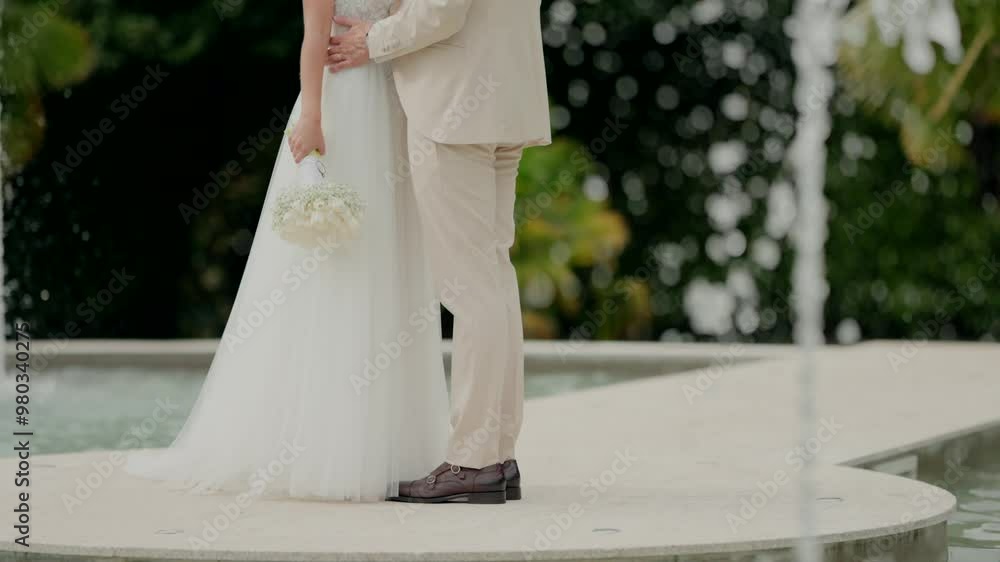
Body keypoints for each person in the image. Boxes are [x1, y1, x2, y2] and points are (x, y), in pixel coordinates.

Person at [125, 0, 450, 502]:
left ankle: (397, 447)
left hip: (395, 107)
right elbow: (313, 39)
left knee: (392, 263)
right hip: (343, 111)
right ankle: (324, 447)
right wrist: (314, 117)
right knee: (332, 265)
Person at [327, 0, 551, 503]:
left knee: (472, 288)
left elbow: (441, 10)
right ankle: (497, 455)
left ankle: (473, 462)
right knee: (492, 277)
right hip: (506, 100)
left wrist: (374, 39)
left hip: (456, 106)